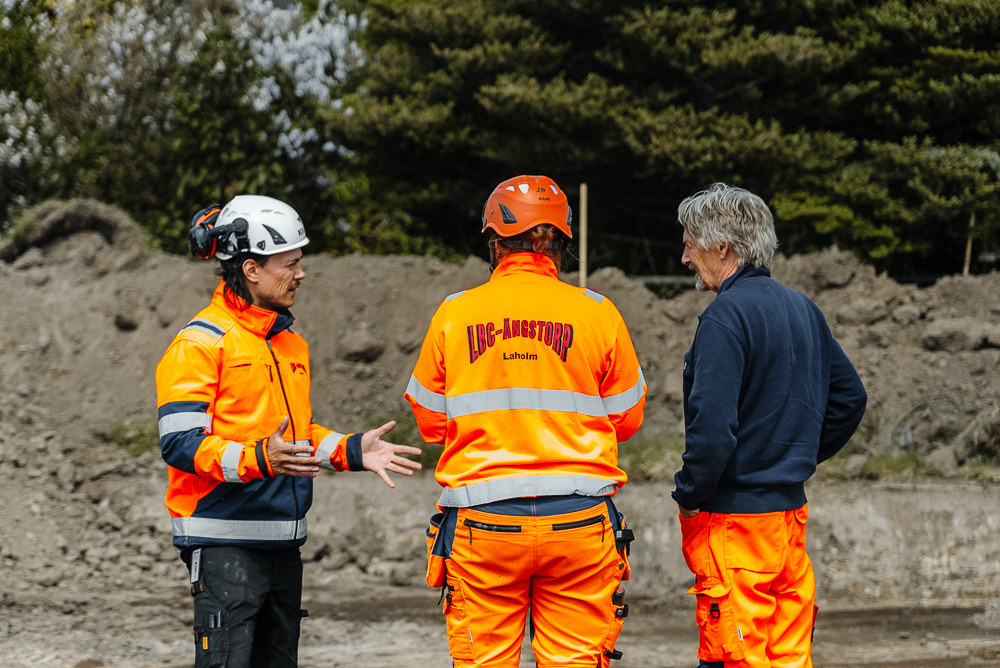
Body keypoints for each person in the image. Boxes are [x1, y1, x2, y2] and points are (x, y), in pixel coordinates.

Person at [155, 195, 422, 668]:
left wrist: (353, 450)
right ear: (252, 269)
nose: (300, 273)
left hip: (283, 546)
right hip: (223, 544)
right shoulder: (199, 344)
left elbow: (294, 435)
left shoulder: (289, 342)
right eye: (290, 263)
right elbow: (180, 443)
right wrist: (261, 460)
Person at [404, 174, 647, 668]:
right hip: (579, 525)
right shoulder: (598, 312)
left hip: (483, 526)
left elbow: (430, 424)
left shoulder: (455, 313)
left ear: (494, 242)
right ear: (559, 241)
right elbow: (627, 418)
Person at [670, 183, 867, 668]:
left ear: (723, 247)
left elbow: (712, 432)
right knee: (787, 657)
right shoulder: (803, 309)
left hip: (736, 526)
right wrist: (792, 455)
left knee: (733, 657)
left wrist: (689, 494)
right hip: (788, 522)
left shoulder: (724, 319)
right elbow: (851, 398)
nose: (684, 256)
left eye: (690, 242)